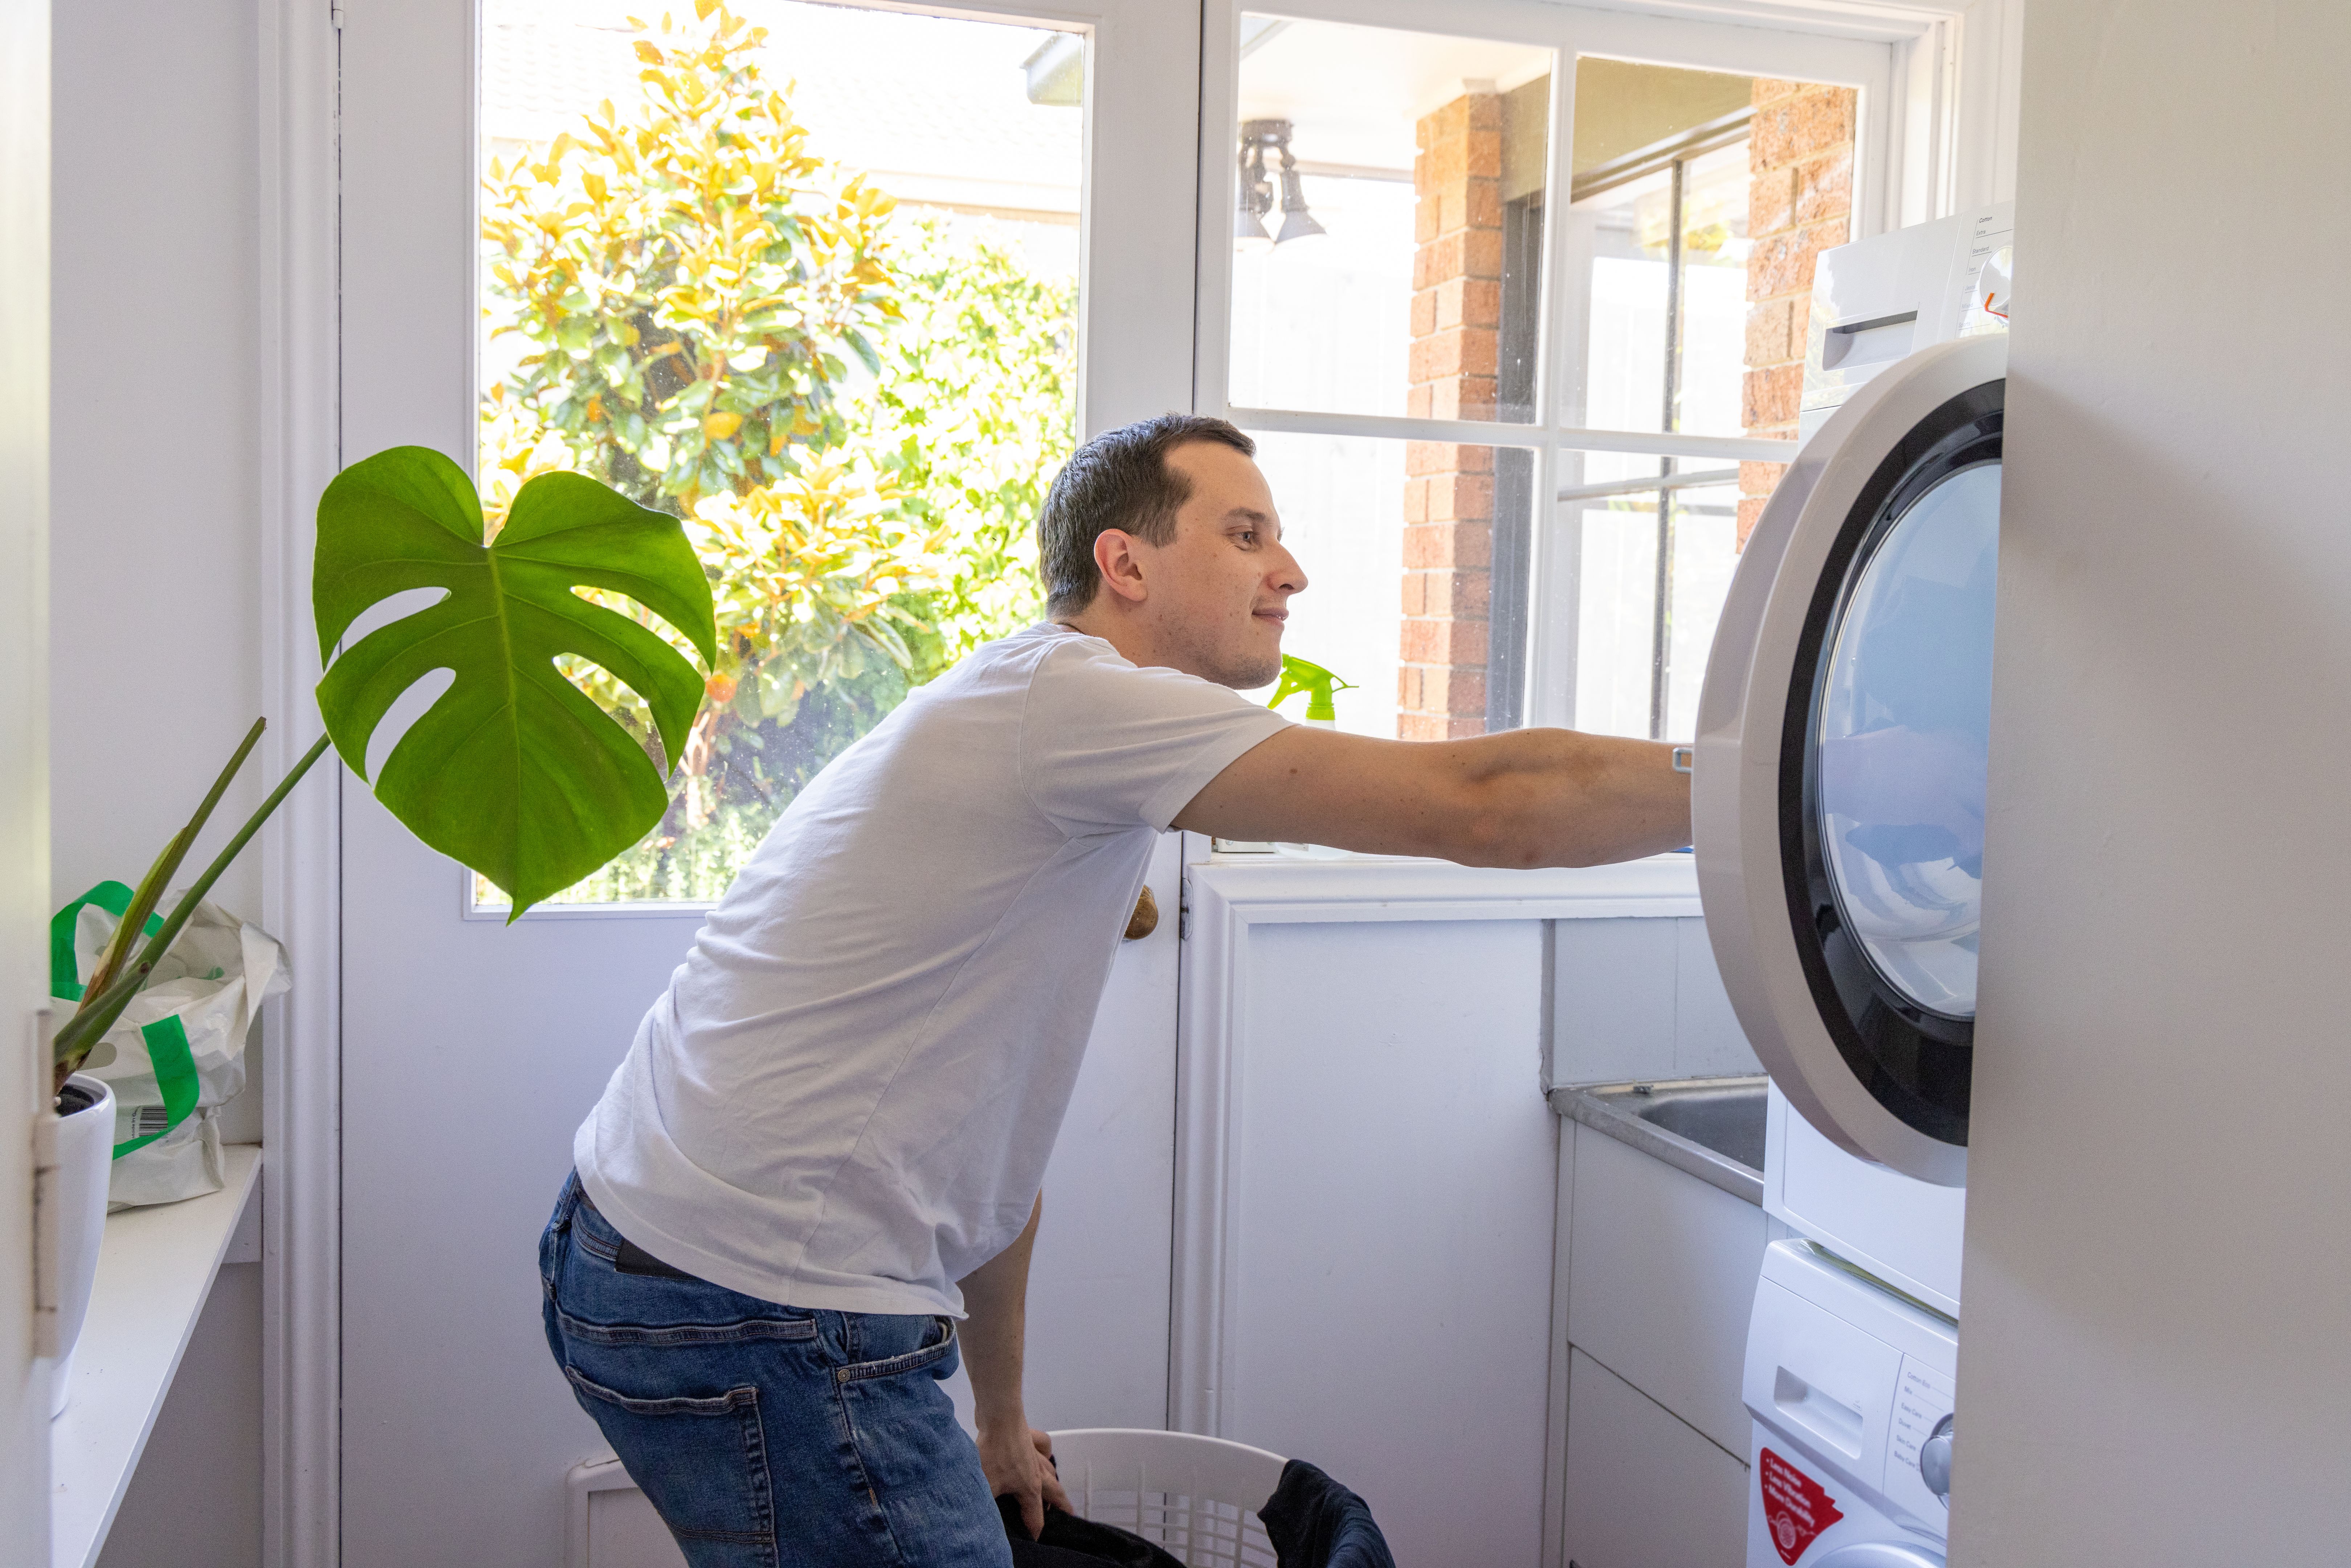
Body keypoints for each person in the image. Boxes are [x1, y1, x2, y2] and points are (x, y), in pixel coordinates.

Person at [538, 414, 1693, 1568]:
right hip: (748, 1302)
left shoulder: (1043, 743)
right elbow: (1486, 802)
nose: (1290, 572)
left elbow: (992, 1157)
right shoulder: (1080, 707)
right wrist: (1753, 779)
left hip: (658, 1250)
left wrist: (998, 1417)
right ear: (1123, 563)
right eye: (1245, 534)